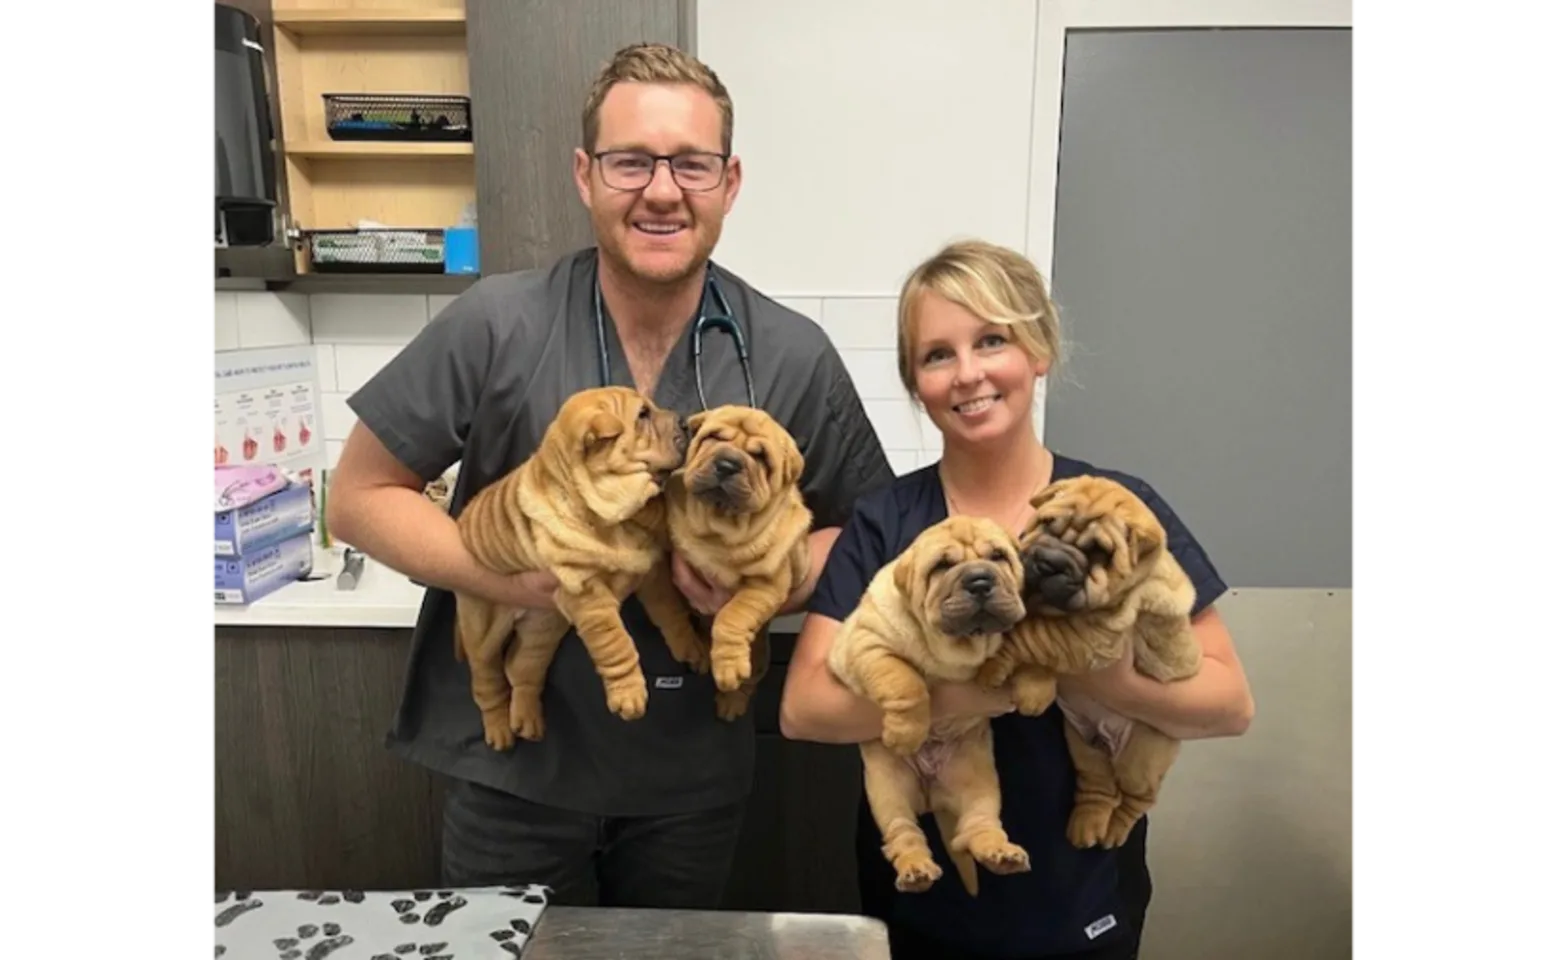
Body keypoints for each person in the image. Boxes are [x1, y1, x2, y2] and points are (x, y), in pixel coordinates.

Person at [325, 42, 894, 908]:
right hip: (515, 772)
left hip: (691, 777)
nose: (662, 191)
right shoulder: (496, 325)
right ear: (586, 174)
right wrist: (520, 580)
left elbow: (864, 535)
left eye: (692, 165)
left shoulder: (790, 355)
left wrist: (762, 584)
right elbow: (359, 499)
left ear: (729, 183)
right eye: (631, 162)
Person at [778, 238, 1255, 960]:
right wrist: (979, 690)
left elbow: (1230, 703)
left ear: (1038, 350)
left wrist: (1081, 668)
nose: (967, 373)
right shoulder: (887, 521)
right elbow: (804, 710)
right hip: (923, 899)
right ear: (915, 381)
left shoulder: (1112, 508)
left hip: (1082, 898)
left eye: (991, 340)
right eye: (937, 354)